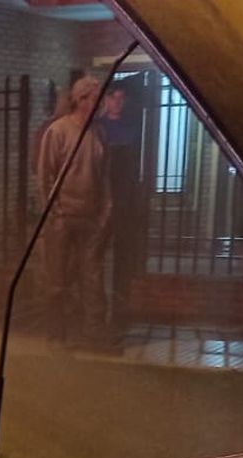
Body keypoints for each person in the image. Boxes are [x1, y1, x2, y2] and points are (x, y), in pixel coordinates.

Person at [36, 75, 112, 349]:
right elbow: (45, 177)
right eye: (95, 97)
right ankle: (57, 334)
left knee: (93, 278)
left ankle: (94, 333)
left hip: (91, 218)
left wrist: (105, 211)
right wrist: (54, 214)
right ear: (81, 100)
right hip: (63, 219)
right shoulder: (58, 132)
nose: (100, 103)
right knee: (58, 279)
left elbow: (104, 178)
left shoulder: (99, 133)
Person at [99, 84, 143, 332]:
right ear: (106, 100)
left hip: (124, 200)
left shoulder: (130, 128)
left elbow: (132, 166)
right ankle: (98, 309)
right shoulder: (98, 129)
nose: (118, 102)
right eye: (113, 97)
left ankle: (119, 310)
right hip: (102, 200)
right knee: (96, 255)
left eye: (121, 98)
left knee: (123, 257)